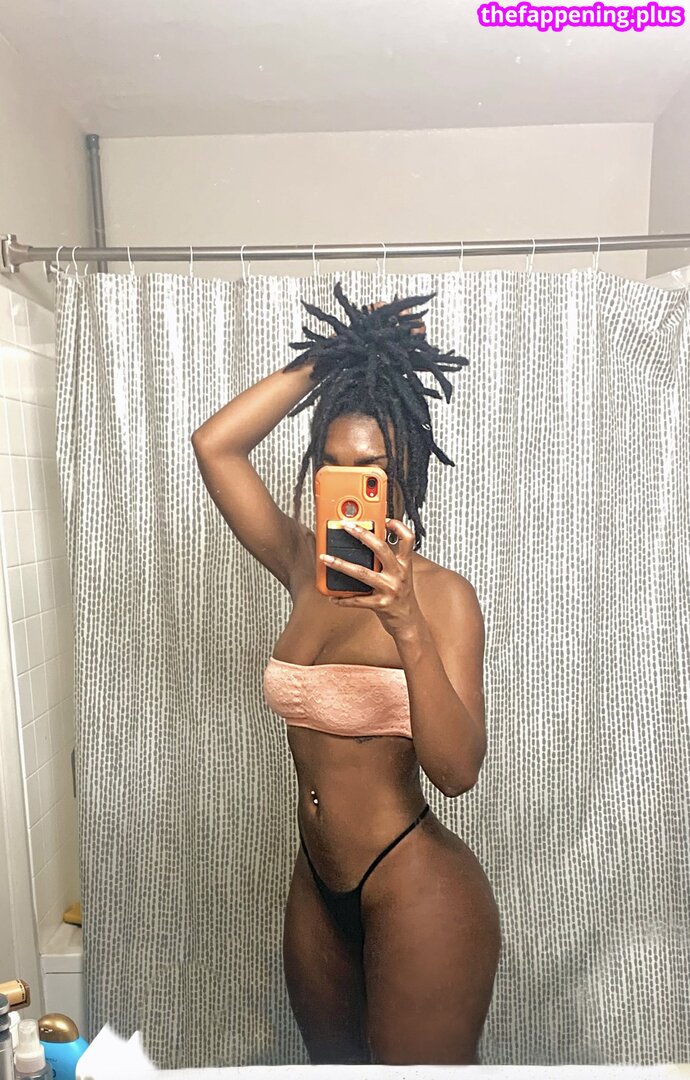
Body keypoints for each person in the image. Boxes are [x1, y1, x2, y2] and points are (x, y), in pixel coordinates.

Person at [191, 282, 501, 1065]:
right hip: (316, 888)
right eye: (331, 466)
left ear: (403, 474)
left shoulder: (443, 597)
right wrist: (338, 358)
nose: (346, 485)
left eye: (367, 468)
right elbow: (214, 445)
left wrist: (406, 626)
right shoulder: (303, 565)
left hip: (415, 884)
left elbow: (457, 772)